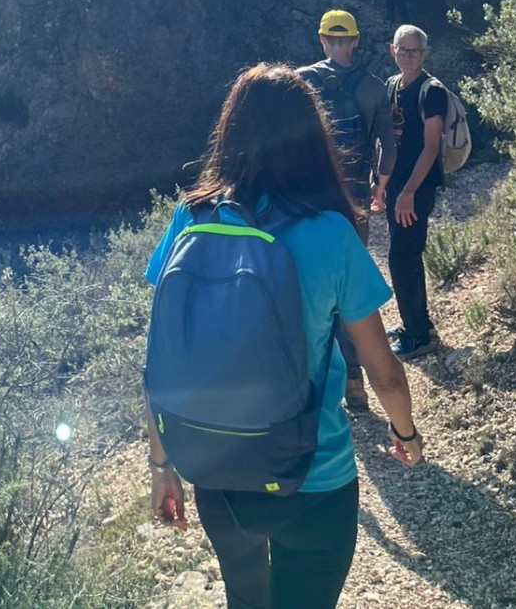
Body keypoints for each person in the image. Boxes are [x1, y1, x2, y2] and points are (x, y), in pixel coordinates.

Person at [144, 65, 423, 609]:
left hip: (219, 473)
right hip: (312, 480)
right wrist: (406, 434)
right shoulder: (330, 232)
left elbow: (162, 358)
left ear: (230, 134)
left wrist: (162, 467)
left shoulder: (190, 219)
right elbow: (383, 369)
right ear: (310, 140)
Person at [297, 10, 396, 413]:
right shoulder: (373, 87)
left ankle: (318, 382)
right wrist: (381, 188)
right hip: (353, 201)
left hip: (308, 199)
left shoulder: (302, 82)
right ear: (355, 40)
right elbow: (388, 148)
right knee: (349, 288)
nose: (337, 45)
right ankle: (356, 383)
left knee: (311, 288)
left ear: (322, 39)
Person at [384, 24, 446, 358]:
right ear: (392, 51)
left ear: (425, 54)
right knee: (406, 256)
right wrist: (381, 184)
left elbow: (431, 148)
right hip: (396, 187)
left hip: (416, 190)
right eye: (402, 50)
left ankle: (419, 337)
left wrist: (408, 192)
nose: (408, 56)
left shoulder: (431, 91)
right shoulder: (393, 85)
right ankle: (416, 323)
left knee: (402, 257)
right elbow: (388, 139)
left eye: (415, 51)